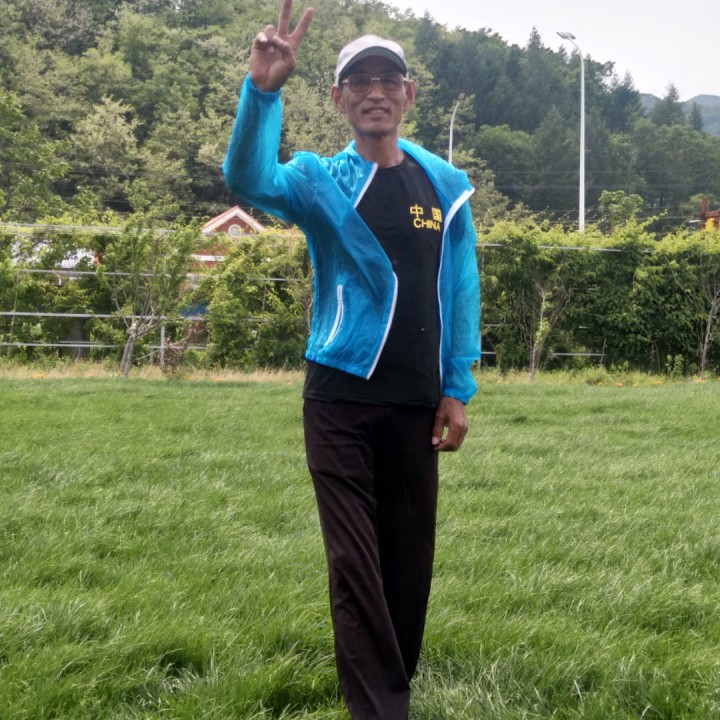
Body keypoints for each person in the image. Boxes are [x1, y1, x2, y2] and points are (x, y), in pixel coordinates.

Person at [222, 2, 480, 717]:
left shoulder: (445, 188)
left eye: (387, 79)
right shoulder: (320, 180)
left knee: (407, 564)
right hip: (339, 397)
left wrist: (457, 388)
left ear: (408, 94)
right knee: (354, 562)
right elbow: (248, 178)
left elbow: (461, 291)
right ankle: (380, 709)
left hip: (416, 401)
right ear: (338, 98)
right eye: (358, 81)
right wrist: (262, 91)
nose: (374, 92)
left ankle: (392, 685)